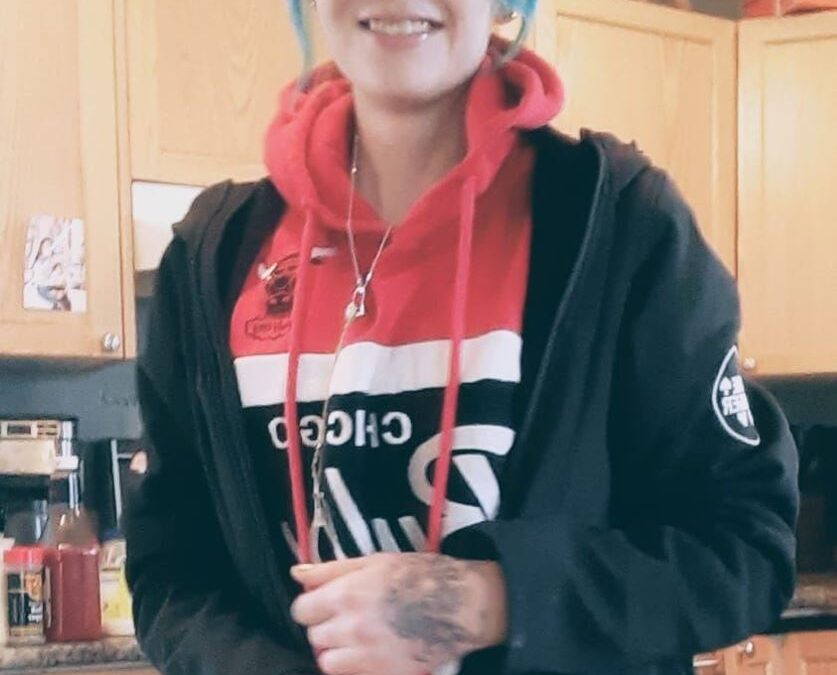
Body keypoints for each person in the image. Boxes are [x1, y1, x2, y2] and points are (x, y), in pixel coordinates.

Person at [124, 0, 799, 674]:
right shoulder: (214, 255)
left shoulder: (622, 225)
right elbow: (172, 572)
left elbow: (742, 550)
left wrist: (485, 598)